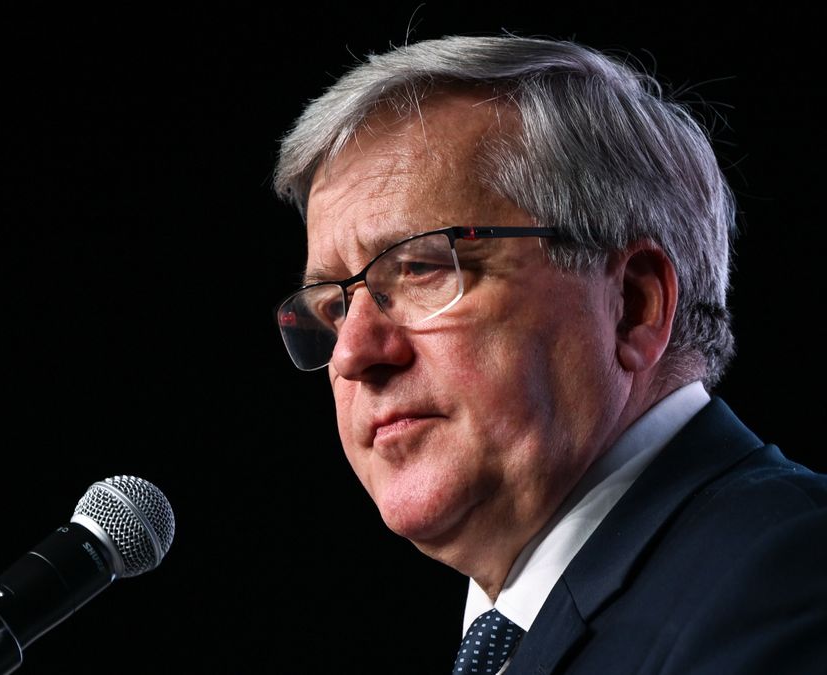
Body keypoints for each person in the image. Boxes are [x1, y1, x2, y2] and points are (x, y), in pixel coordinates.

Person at [271, 35, 826, 673]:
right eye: (334, 307)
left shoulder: (790, 577)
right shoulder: (521, 629)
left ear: (635, 305)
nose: (353, 354)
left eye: (422, 268)